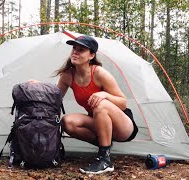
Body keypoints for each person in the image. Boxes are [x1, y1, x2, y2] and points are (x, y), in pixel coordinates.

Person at [54, 35, 138, 174]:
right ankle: (104, 146)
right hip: (99, 123)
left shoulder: (99, 73)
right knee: (67, 122)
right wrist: (38, 87)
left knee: (101, 104)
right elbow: (54, 99)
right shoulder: (68, 76)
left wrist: (104, 94)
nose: (75, 52)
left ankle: (105, 160)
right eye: (74, 48)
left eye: (81, 50)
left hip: (122, 126)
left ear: (91, 55)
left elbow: (123, 103)